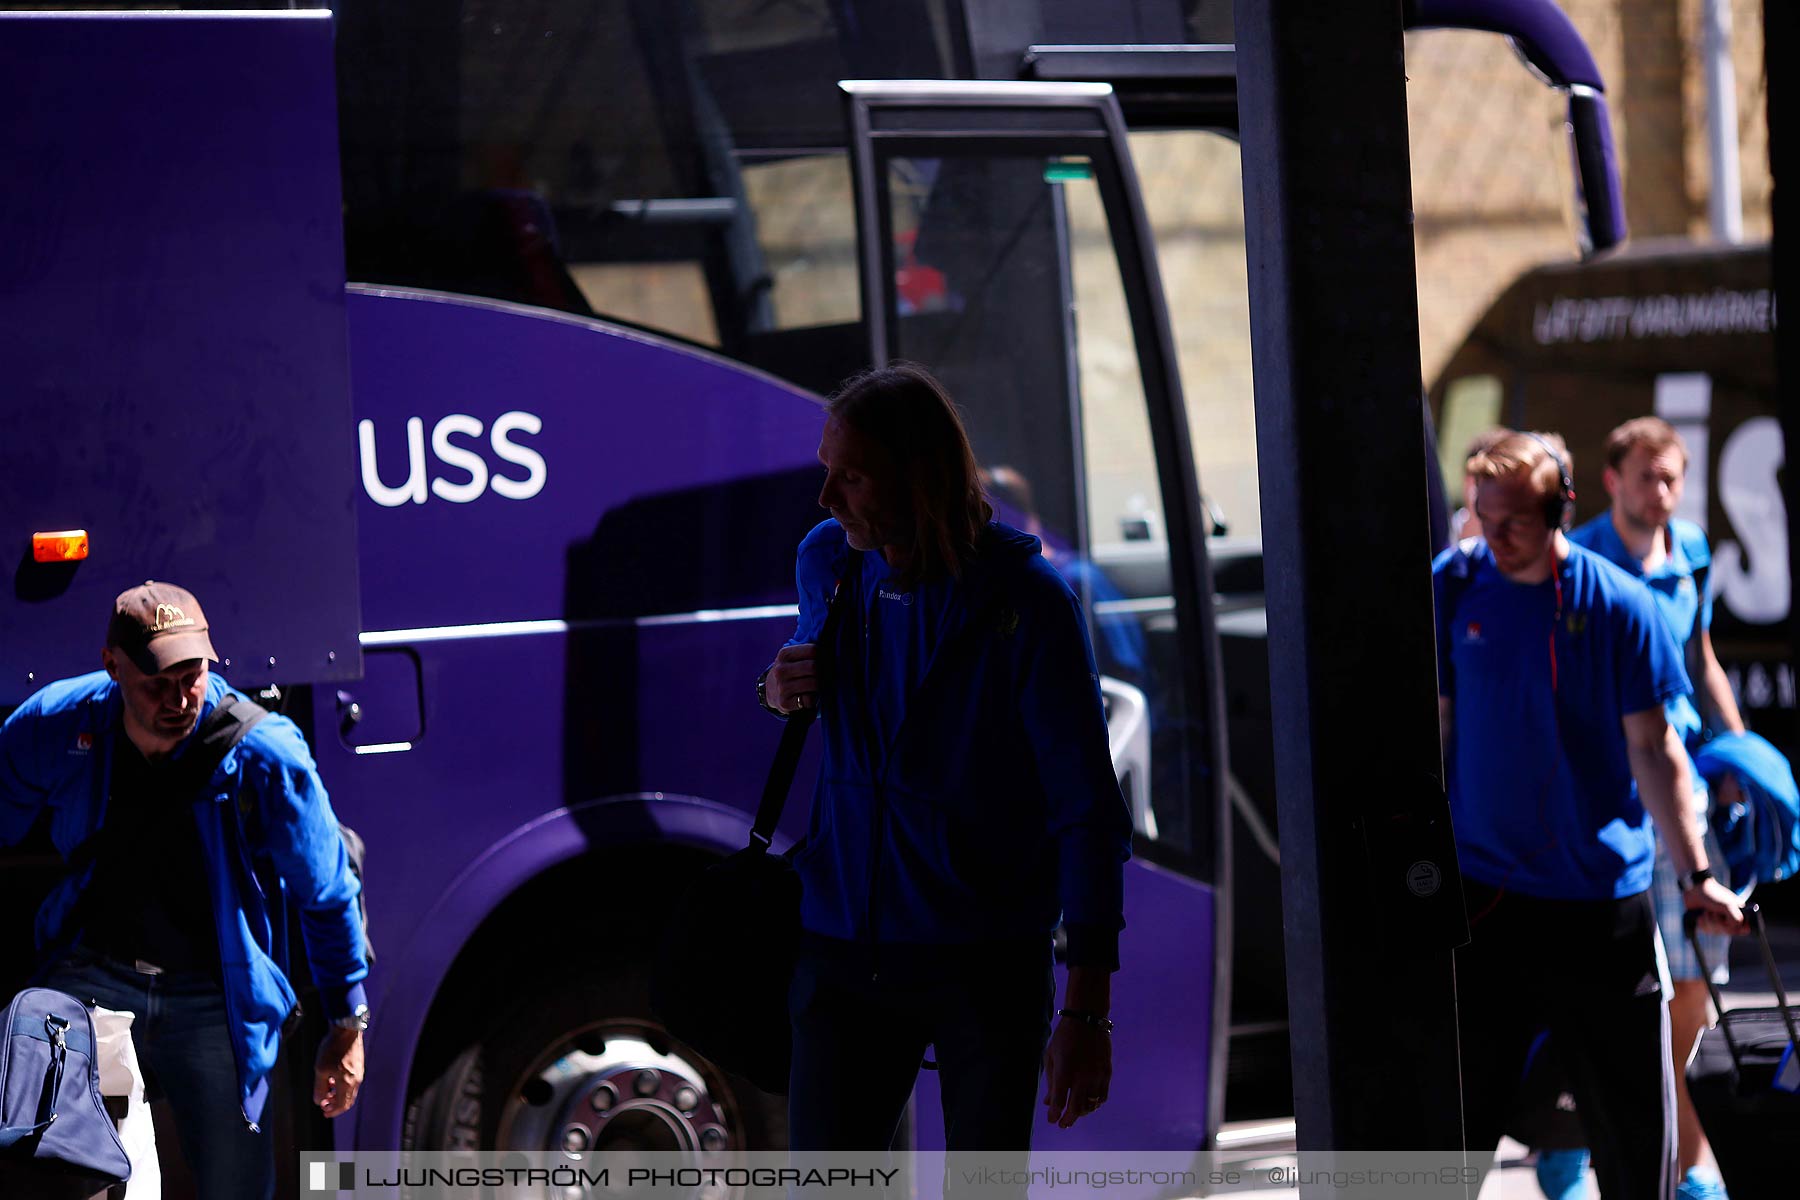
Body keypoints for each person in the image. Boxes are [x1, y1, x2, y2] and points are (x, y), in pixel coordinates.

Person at [758, 363, 1132, 1158]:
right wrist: (779, 687)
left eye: (851, 476)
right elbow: (809, 685)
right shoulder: (827, 561)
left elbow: (1086, 809)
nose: (826, 498)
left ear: (918, 475)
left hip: (984, 962)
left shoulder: (1027, 601)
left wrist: (1087, 1009)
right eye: (828, 471)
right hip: (841, 951)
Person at [1433, 432, 1746, 1199]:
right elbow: (1438, 725)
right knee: (1457, 1128)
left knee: (1633, 1130)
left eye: (1512, 521)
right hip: (1487, 900)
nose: (1491, 535)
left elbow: (1655, 748)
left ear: (1560, 511)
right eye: (1481, 514)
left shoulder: (1617, 605)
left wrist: (1698, 874)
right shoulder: (1454, 584)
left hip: (1599, 906)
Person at [0, 582, 371, 1200]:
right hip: (97, 984)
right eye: (156, 681)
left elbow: (326, 891)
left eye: (192, 674)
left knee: (236, 1186)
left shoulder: (264, 755)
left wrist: (347, 1023)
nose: (178, 698)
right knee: (87, 1181)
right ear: (112, 665)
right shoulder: (58, 726)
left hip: (212, 999)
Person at [1552, 416, 1748, 1200]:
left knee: (1699, 980)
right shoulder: (1586, 562)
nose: (1659, 494)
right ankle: (1654, 1162)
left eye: (1670, 479)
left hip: (1686, 787)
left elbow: (1701, 657)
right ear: (1611, 480)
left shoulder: (1691, 548)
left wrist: (1743, 754)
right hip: (1621, 796)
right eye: (1644, 478)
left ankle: (1664, 1154)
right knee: (1635, 987)